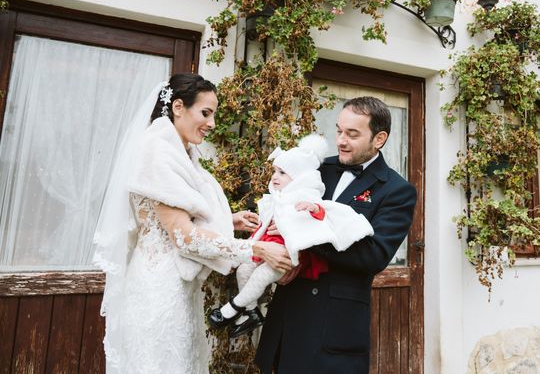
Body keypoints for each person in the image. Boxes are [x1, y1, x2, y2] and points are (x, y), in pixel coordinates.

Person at [93, 73, 291, 374]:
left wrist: (231, 220)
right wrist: (256, 249)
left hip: (175, 284)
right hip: (158, 287)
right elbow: (184, 237)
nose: (211, 123)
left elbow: (177, 214)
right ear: (177, 107)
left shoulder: (179, 153)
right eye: (205, 113)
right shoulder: (158, 153)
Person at [255, 96, 417, 374]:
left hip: (334, 324)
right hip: (288, 312)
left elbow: (374, 255)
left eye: (352, 134)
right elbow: (280, 206)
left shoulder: (396, 190)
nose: (341, 140)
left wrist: (304, 238)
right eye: (339, 131)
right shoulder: (317, 169)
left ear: (379, 138)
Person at [209, 134, 374, 339]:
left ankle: (232, 308)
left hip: (287, 256)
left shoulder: (305, 197)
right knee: (243, 270)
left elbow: (321, 215)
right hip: (266, 249)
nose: (275, 177)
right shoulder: (277, 199)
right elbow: (265, 225)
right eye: (275, 171)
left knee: (261, 276)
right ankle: (251, 312)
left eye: (282, 173)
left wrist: (312, 208)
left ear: (299, 178)